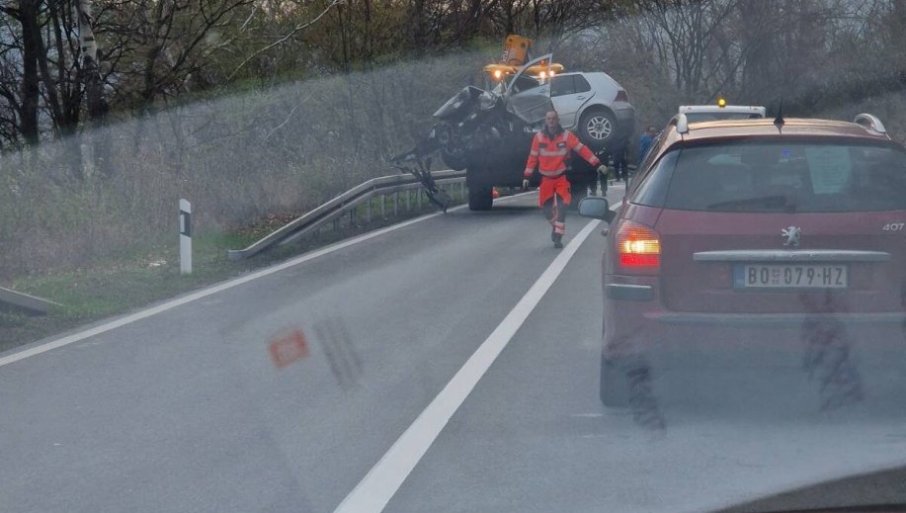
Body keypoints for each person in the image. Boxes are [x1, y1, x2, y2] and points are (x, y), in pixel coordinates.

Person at [522, 110, 608, 248]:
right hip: (546, 180)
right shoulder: (538, 137)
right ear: (545, 121)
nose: (551, 121)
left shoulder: (567, 136)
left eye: (553, 118)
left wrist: (597, 164)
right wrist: (527, 176)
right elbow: (532, 157)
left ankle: (558, 237)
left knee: (562, 208)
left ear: (558, 120)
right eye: (549, 118)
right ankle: (555, 226)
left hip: (561, 178)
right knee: (546, 209)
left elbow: (582, 150)